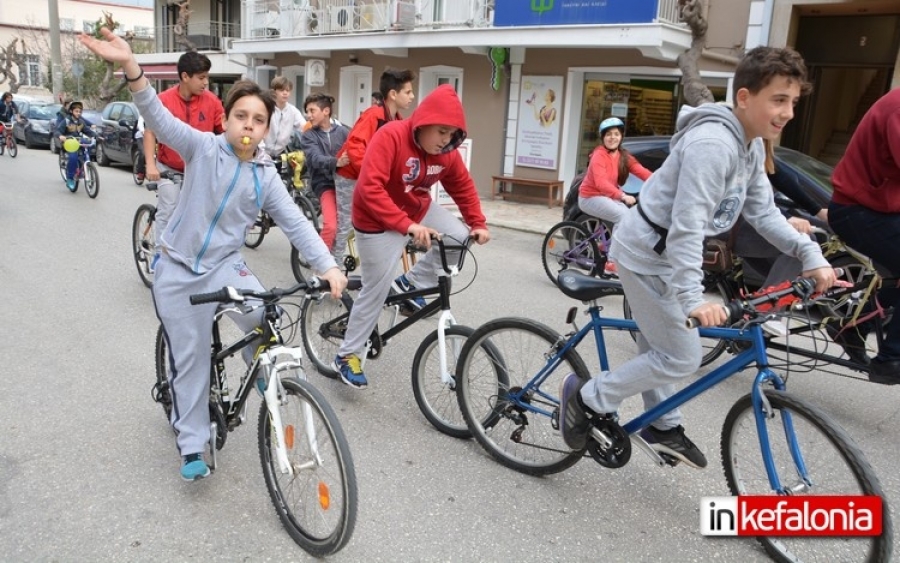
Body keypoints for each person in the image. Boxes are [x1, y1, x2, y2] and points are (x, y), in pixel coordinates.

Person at [78, 27, 348, 481]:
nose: (248, 125)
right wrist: (131, 68)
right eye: (240, 115)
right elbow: (159, 121)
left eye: (257, 119)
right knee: (192, 360)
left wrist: (327, 265)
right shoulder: (203, 149)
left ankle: (264, 373)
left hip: (225, 266)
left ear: (265, 129)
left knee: (265, 321)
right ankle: (192, 444)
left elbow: (296, 222)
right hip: (179, 269)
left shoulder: (264, 176)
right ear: (224, 121)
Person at [559, 46, 836, 467]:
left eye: (793, 102)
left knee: (657, 344)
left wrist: (810, 254)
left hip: (668, 256)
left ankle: (662, 424)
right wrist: (692, 299)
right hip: (646, 255)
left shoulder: (749, 146)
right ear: (745, 97)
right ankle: (587, 397)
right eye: (778, 100)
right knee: (681, 354)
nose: (788, 113)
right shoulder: (713, 146)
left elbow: (762, 213)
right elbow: (687, 228)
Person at [331, 84, 490, 390]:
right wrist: (406, 226)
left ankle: (411, 282)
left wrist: (477, 223)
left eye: (452, 134)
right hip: (375, 219)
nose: (446, 140)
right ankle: (347, 354)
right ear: (423, 122)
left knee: (458, 236)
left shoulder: (446, 153)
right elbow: (369, 189)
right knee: (376, 288)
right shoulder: (391, 136)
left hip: (415, 211)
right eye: (441, 132)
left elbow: (463, 187)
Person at [829, 87, 900, 386]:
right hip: (856, 210)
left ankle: (853, 325)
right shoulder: (898, 106)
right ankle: (890, 359)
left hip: (882, 208)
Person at [143, 50, 225, 243]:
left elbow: (223, 132)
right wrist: (150, 164)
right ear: (185, 76)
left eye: (207, 77)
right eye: (201, 78)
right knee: (169, 209)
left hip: (199, 168)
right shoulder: (163, 100)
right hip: (168, 168)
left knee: (202, 214)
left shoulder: (212, 101)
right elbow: (150, 132)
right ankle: (160, 257)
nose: (206, 83)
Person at [577, 116, 652, 274]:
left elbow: (642, 171)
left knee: (634, 217)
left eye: (616, 134)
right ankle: (611, 262)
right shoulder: (599, 156)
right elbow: (601, 183)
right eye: (608, 134)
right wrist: (622, 195)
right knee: (623, 216)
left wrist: (660, 183)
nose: (613, 137)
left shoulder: (623, 156)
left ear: (621, 136)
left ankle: (612, 247)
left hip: (607, 197)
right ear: (603, 137)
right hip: (589, 197)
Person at [298, 93, 353, 263]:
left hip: (345, 184)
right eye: (307, 111)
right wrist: (336, 162)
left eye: (312, 110)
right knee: (330, 226)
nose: (309, 115)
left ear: (326, 111)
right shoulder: (309, 135)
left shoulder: (344, 131)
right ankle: (320, 264)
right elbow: (314, 158)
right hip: (325, 184)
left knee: (351, 226)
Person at [336, 68, 416, 181]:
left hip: (373, 177)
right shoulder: (373, 115)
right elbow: (355, 146)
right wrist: (373, 174)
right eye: (408, 92)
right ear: (393, 94)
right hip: (351, 178)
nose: (412, 96)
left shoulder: (398, 120)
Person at [261, 75, 306, 166]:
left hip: (281, 154)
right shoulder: (267, 108)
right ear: (274, 92)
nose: (285, 93)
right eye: (282, 90)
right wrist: (261, 151)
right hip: (262, 153)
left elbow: (304, 127)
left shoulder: (293, 110)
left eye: (288, 90)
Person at [56, 101, 97, 190]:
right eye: (76, 111)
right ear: (71, 111)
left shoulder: (81, 122)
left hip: (78, 141)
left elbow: (88, 131)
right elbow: (58, 131)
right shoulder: (66, 121)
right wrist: (61, 136)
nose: (78, 113)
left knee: (87, 145)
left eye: (80, 111)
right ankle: (70, 178)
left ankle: (84, 166)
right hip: (69, 143)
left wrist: (97, 136)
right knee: (73, 157)